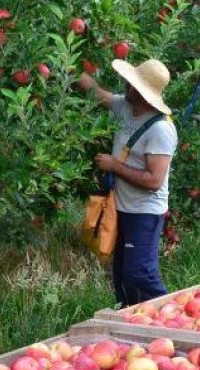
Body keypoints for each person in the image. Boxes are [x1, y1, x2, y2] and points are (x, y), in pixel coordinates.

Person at [77, 59, 177, 307]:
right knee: (121, 273)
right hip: (120, 208)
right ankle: (130, 318)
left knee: (139, 273)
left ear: (143, 93)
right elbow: (96, 93)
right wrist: (65, 66)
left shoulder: (160, 130)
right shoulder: (125, 106)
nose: (126, 85)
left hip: (144, 212)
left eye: (132, 84)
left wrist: (115, 166)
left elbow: (154, 180)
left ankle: (168, 318)